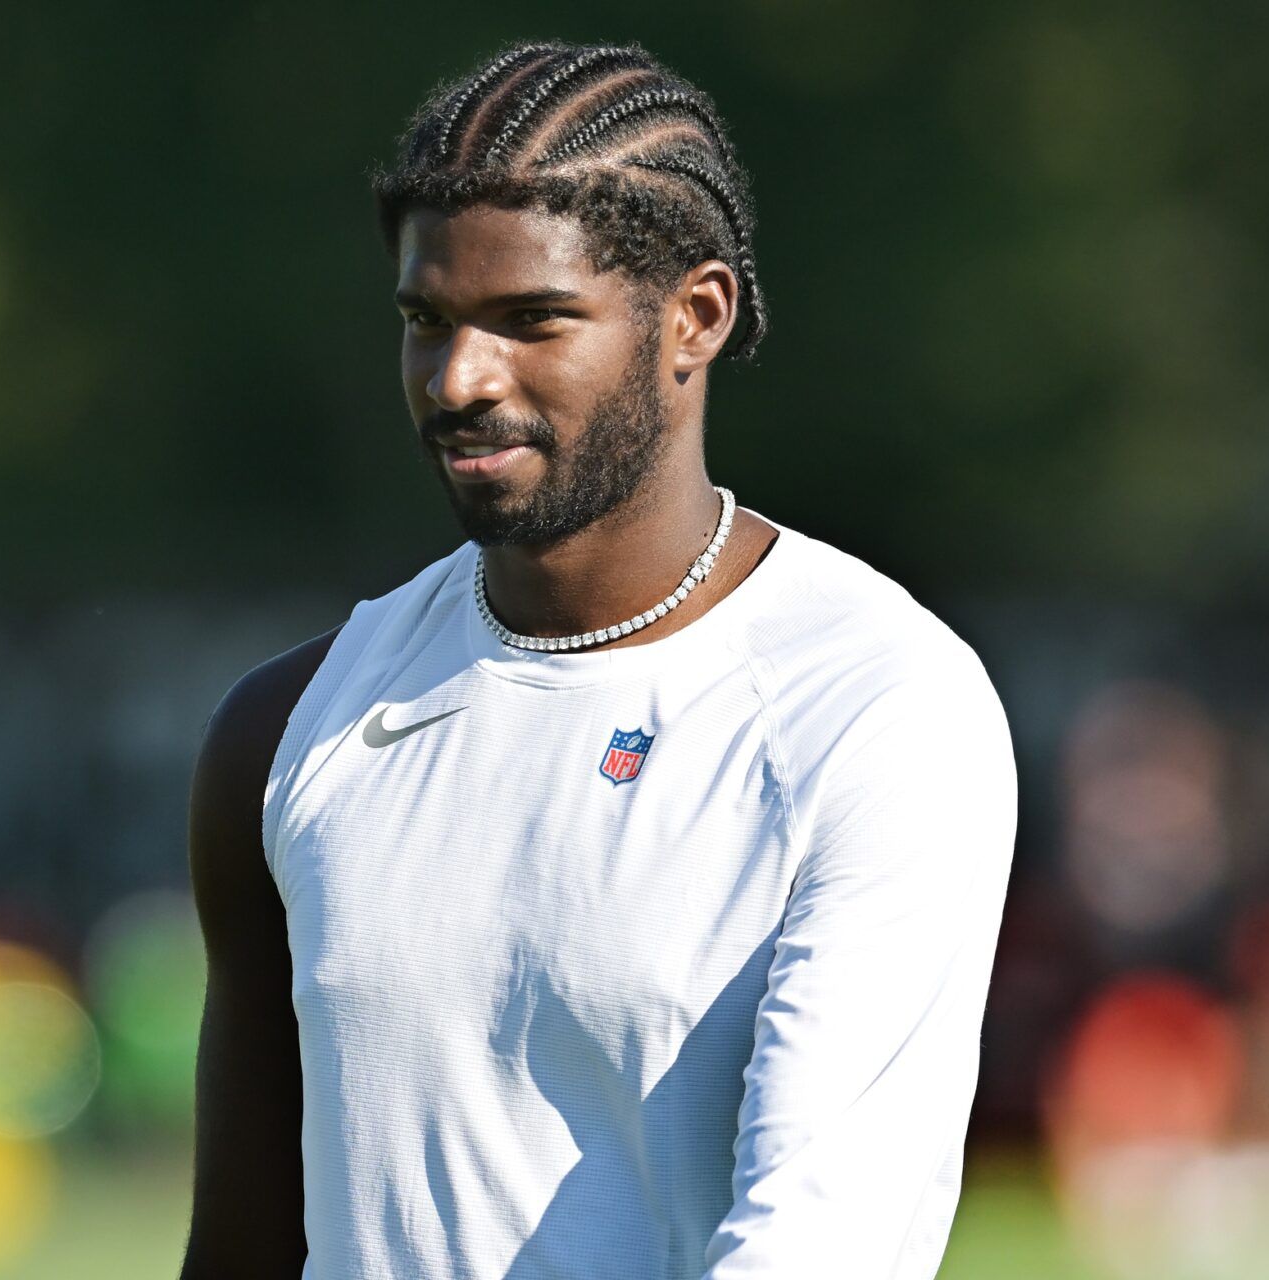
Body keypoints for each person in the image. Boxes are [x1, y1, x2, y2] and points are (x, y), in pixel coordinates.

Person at [180, 40, 1016, 1280]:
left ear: (696, 318)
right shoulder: (291, 727)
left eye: (531, 321)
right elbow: (243, 1250)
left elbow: (819, 1242)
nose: (459, 379)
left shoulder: (878, 706)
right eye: (426, 320)